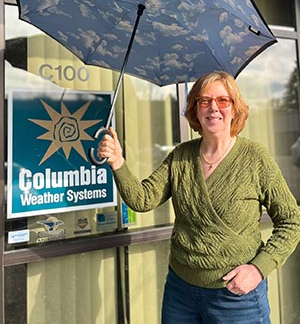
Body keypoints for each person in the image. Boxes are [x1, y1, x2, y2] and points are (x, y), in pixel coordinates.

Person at [97, 71, 300, 324]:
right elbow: (142, 200)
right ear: (195, 109)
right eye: (204, 101)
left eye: (223, 100)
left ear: (235, 109)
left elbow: (291, 221)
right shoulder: (180, 156)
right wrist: (117, 161)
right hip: (180, 292)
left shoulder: (255, 158)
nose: (213, 107)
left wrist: (259, 268)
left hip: (236, 299)